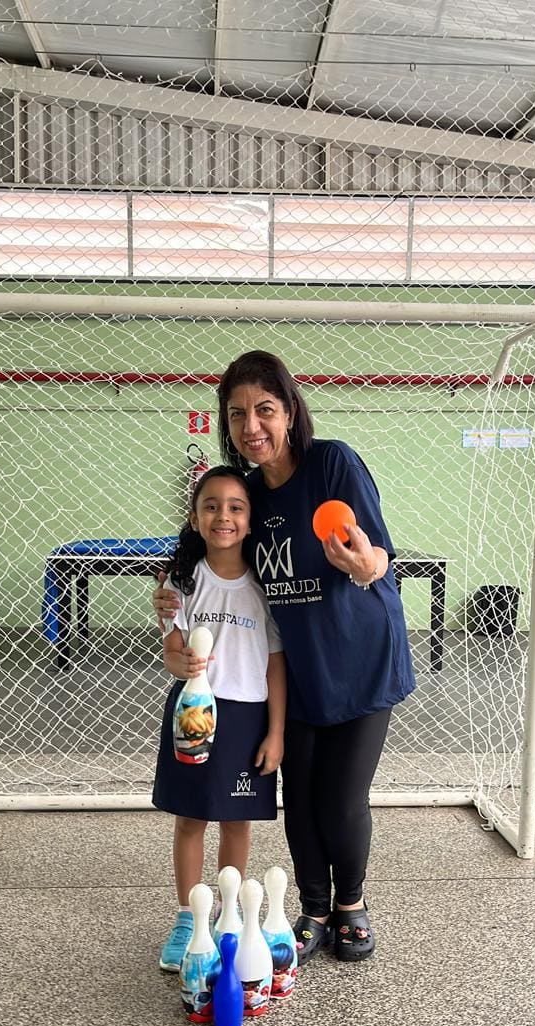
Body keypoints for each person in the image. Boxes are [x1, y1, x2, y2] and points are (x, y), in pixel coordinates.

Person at [154, 351, 416, 968]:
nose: (253, 426)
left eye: (265, 410)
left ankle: (351, 905)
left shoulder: (333, 463)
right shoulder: (250, 496)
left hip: (360, 660)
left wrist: (368, 566)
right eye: (238, 414)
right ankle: (314, 907)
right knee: (297, 798)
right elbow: (210, 563)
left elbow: (378, 552)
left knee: (341, 796)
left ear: (290, 411)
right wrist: (169, 601)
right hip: (295, 670)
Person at [152, 464, 286, 972]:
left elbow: (275, 663)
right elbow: (171, 651)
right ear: (194, 517)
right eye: (211, 506)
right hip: (195, 712)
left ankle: (230, 913)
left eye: (235, 507)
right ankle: (188, 918)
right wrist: (180, 661)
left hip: (248, 715)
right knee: (191, 818)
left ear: (250, 520)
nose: (223, 516)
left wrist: (275, 731)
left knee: (236, 820)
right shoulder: (180, 581)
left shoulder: (268, 584)